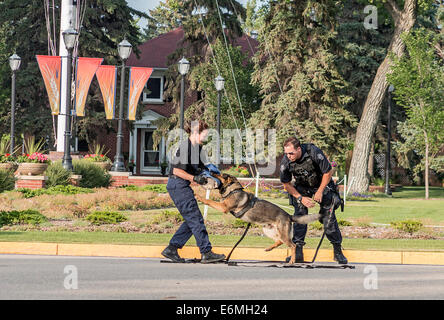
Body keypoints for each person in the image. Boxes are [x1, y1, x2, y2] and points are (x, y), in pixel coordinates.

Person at [161, 120, 226, 264]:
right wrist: (195, 178)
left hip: (182, 185)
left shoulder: (198, 149)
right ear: (196, 132)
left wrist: (210, 172)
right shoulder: (186, 147)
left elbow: (201, 167)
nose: (206, 136)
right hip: (177, 185)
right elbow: (176, 170)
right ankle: (206, 252)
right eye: (205, 133)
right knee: (195, 219)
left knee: (193, 220)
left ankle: (172, 248)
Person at [279, 136, 347, 264]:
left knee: (329, 217)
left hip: (322, 184)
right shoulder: (286, 162)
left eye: (291, 153)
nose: (288, 156)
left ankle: (337, 251)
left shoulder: (313, 152)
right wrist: (300, 197)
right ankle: (297, 253)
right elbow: (286, 184)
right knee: (299, 216)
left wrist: (320, 191)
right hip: (302, 188)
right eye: (286, 153)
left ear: (299, 149)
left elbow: (327, 172)